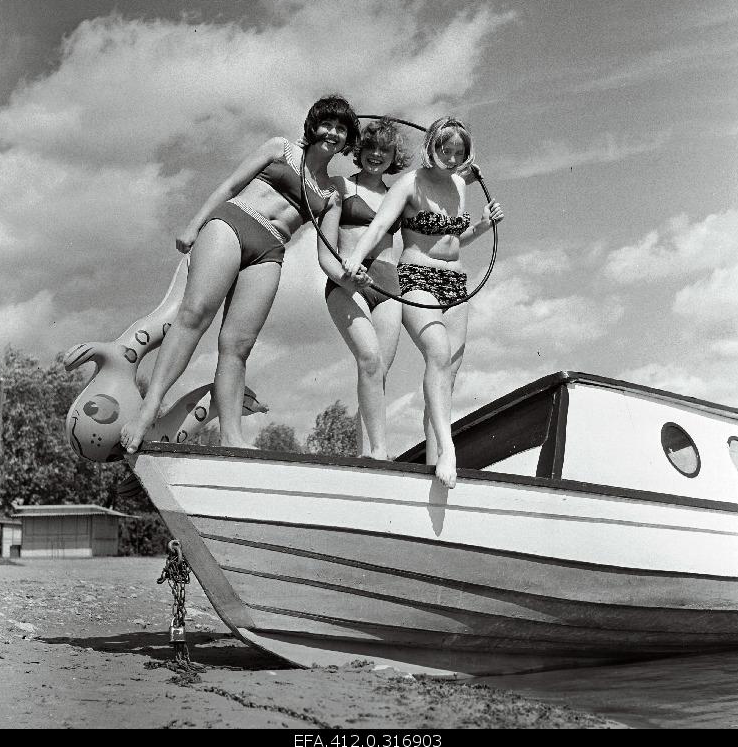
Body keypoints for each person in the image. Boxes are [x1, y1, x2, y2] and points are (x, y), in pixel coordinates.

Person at [120, 95, 360, 454]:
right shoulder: (280, 148)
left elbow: (327, 256)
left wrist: (351, 277)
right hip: (234, 222)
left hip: (271, 249)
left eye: (342, 129)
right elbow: (231, 185)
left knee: (238, 345)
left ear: (347, 140)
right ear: (313, 125)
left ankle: (233, 438)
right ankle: (148, 410)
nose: (333, 132)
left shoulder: (332, 193)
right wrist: (193, 224)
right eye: (328, 124)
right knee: (195, 314)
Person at [342, 116, 504, 488]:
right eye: (444, 149)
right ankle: (449, 450)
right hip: (417, 277)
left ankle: (434, 461)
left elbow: (453, 239)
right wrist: (356, 258)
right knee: (437, 354)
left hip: (457, 282)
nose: (450, 157)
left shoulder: (462, 184)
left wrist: (481, 225)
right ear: (430, 146)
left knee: (447, 377)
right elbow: (380, 225)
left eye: (458, 152)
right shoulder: (410, 183)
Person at [317, 118, 412, 459]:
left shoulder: (398, 194)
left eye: (384, 150)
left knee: (377, 374)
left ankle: (365, 455)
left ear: (393, 156)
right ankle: (378, 454)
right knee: (369, 358)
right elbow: (324, 253)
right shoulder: (340, 185)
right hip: (346, 283)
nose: (376, 155)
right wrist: (345, 279)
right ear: (360, 151)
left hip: (388, 284)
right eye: (370, 147)